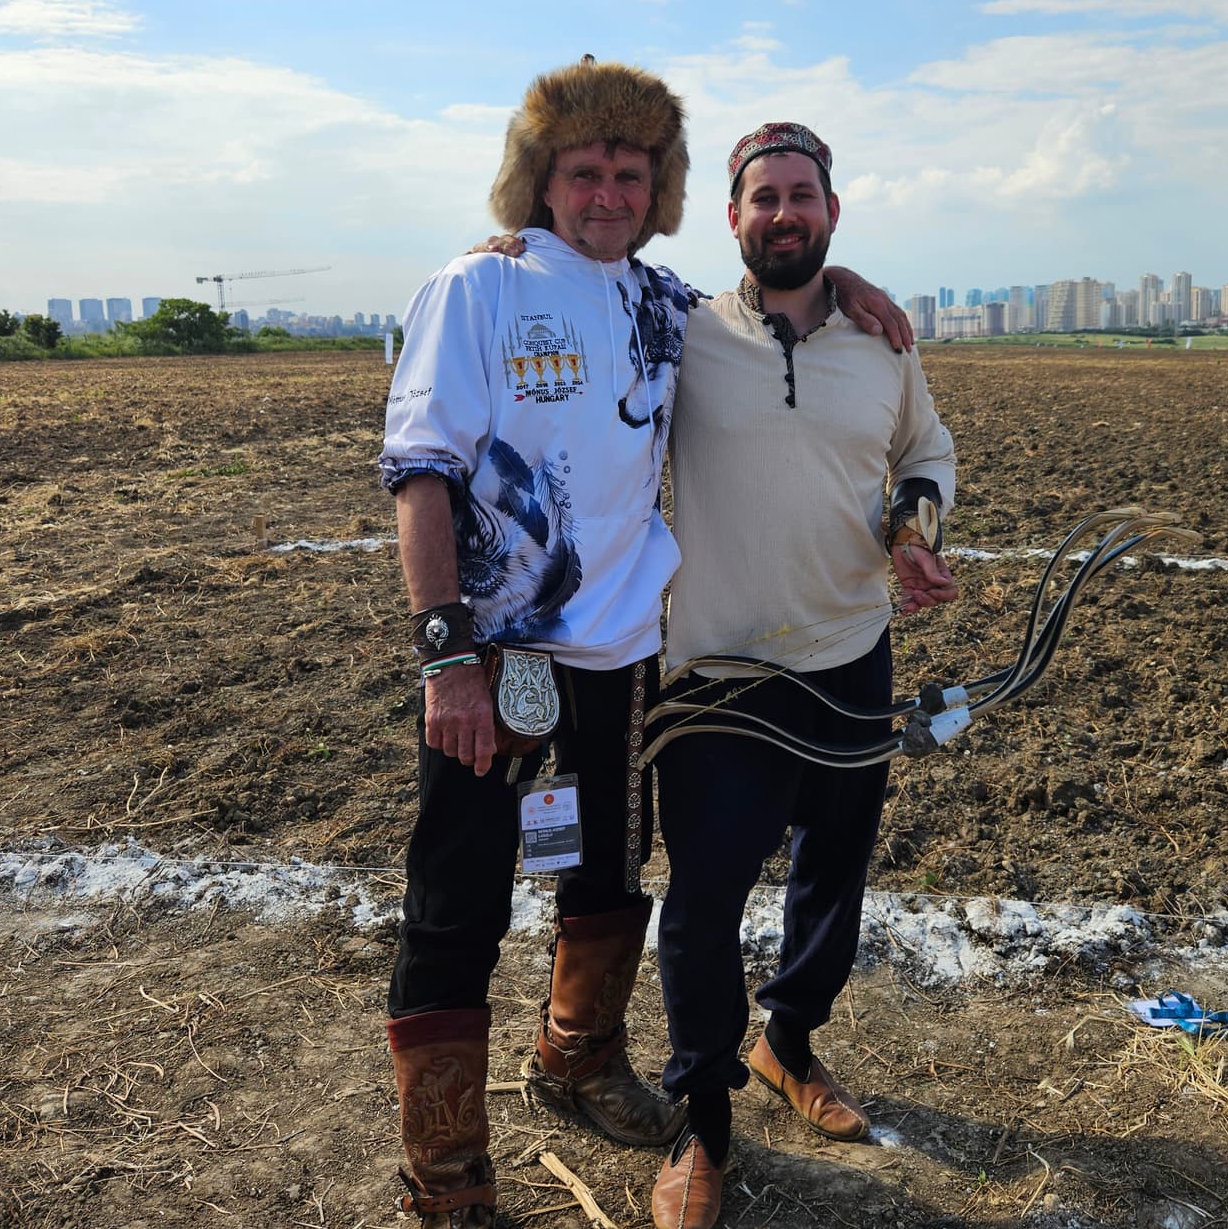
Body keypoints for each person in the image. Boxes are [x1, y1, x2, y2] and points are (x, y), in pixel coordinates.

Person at [377, 63, 910, 1228]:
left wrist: (841, 280)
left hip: (621, 663)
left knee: (608, 880)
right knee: (459, 907)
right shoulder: (478, 287)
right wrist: (445, 657)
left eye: (631, 172)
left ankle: (576, 1059)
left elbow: (766, 305)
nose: (609, 193)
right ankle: (446, 1176)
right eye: (585, 171)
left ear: (659, 187)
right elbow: (419, 472)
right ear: (542, 178)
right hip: (497, 663)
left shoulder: (663, 306)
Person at [647, 123, 958, 1228]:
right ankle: (701, 1119)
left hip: (849, 653)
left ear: (833, 211)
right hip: (719, 669)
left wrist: (914, 528)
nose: (784, 213)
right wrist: (513, 238)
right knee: (704, 900)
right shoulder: (680, 334)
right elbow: (585, 276)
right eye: (764, 197)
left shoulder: (884, 344)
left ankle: (787, 1043)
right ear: (732, 217)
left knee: (834, 871)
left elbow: (923, 451)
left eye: (803, 195)